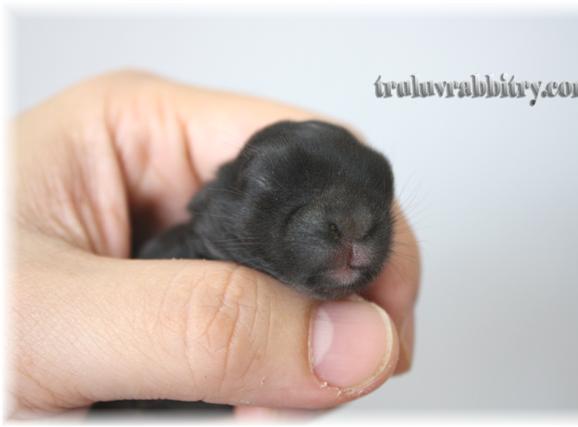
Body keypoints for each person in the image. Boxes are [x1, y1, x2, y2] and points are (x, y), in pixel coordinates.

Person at [8, 70, 420, 420]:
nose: (357, 222)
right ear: (221, 198)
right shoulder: (169, 259)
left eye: (376, 191)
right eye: (276, 184)